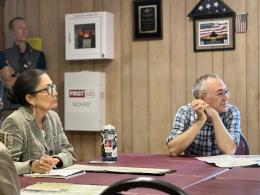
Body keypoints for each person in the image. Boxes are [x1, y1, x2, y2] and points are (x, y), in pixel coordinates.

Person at [0, 69, 76, 175]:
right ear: (30, 98)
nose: (55, 93)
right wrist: (32, 166)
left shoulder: (53, 117)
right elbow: (4, 166)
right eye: (48, 89)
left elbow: (69, 152)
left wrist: (56, 160)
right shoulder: (14, 122)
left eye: (53, 87)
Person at [166, 73, 241, 156]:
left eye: (226, 92)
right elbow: (173, 150)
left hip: (223, 168)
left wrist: (215, 116)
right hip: (193, 167)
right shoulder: (185, 112)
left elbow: (229, 150)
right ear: (202, 98)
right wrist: (200, 121)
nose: (226, 98)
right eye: (220, 94)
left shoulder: (232, 112)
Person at [0, 16, 46, 110]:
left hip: (33, 109)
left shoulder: (39, 55)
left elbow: (40, 83)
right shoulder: (3, 55)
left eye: (26, 28)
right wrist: (30, 77)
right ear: (12, 32)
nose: (25, 31)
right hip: (10, 110)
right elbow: (8, 83)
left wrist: (15, 75)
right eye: (20, 28)